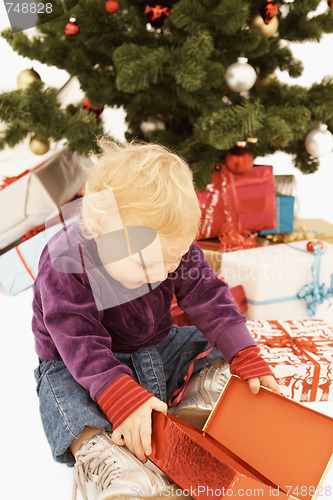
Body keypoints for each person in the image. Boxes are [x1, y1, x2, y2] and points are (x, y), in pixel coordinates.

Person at [32, 140, 279, 500]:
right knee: (64, 400)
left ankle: (205, 401)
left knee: (210, 347)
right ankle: (105, 460)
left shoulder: (166, 246)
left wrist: (245, 355)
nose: (160, 274)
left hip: (155, 346)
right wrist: (120, 397)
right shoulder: (63, 262)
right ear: (99, 226)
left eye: (173, 261)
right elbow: (79, 341)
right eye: (145, 264)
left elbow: (208, 296)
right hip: (80, 365)